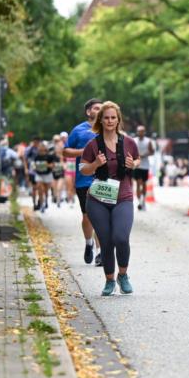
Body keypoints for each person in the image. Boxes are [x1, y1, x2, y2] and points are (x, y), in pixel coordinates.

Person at [78, 101, 140, 296]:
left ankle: (123, 275)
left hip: (123, 197)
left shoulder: (128, 142)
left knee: (121, 237)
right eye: (106, 118)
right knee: (106, 240)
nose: (110, 121)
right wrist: (96, 163)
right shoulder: (93, 144)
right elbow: (83, 169)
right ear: (101, 120)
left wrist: (134, 164)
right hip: (98, 199)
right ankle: (109, 280)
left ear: (118, 119)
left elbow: (137, 159)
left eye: (113, 117)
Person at [65, 99, 103, 266]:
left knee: (101, 217)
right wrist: (84, 151)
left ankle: (101, 252)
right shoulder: (79, 130)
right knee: (87, 217)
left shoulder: (108, 128)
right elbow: (65, 151)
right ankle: (89, 243)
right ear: (89, 112)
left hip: (104, 179)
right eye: (96, 108)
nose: (100, 110)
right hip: (84, 179)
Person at [133, 125, 155, 210]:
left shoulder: (148, 141)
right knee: (138, 183)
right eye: (139, 131)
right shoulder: (134, 140)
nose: (140, 133)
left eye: (142, 131)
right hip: (136, 165)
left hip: (145, 165)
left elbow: (152, 152)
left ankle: (143, 200)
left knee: (144, 183)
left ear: (144, 132)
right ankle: (139, 201)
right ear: (137, 132)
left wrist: (144, 155)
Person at [32, 141, 55, 213]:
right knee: (40, 188)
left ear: (45, 148)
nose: (41, 148)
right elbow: (34, 165)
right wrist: (35, 167)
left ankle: (46, 201)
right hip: (39, 174)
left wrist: (46, 165)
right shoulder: (36, 156)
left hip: (47, 174)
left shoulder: (49, 156)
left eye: (42, 146)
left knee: (45, 190)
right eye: (40, 147)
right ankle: (41, 204)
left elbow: (53, 166)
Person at [51, 137, 66, 207]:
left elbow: (66, 165)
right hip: (54, 174)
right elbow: (49, 164)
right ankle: (55, 196)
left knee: (59, 187)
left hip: (61, 173)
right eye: (57, 148)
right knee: (54, 188)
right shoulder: (52, 156)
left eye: (60, 148)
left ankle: (58, 200)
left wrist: (62, 161)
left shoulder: (64, 156)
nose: (58, 149)